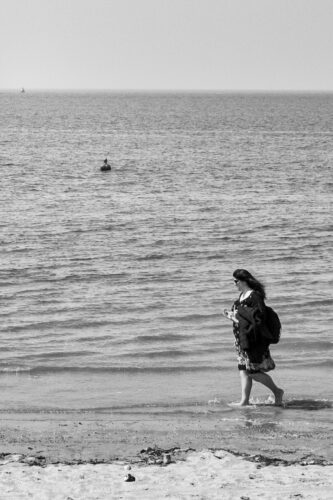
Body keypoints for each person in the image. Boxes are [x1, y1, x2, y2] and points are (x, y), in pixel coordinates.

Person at [224, 269, 284, 406]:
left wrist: (238, 316)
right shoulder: (241, 296)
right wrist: (231, 316)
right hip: (241, 340)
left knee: (253, 372)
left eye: (235, 281)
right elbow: (242, 318)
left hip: (253, 340)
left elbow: (259, 317)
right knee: (243, 371)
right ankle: (244, 401)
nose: (234, 284)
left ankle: (277, 391)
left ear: (243, 280)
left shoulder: (255, 296)